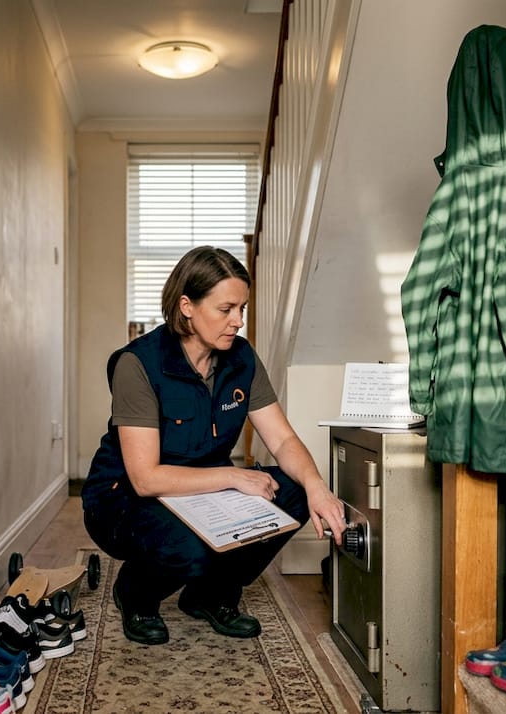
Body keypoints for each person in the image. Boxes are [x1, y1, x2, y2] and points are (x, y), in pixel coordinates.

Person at [81, 245, 346, 646]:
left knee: (294, 490)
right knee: (192, 546)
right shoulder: (137, 364)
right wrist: (233, 477)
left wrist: (317, 487)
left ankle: (209, 595)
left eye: (242, 309)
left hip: (204, 490)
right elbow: (146, 478)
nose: (238, 321)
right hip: (124, 500)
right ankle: (136, 593)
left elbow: (282, 439)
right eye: (226, 309)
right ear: (187, 306)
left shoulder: (241, 358)